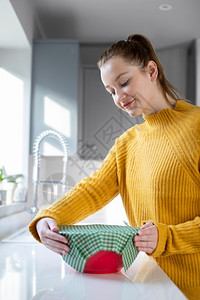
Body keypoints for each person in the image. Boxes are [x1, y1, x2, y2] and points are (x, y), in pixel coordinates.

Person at [29, 34, 200, 299]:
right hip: (148, 285)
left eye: (124, 82)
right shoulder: (127, 144)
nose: (119, 97)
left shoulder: (197, 127)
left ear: (151, 70)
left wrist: (168, 238)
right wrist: (49, 217)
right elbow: (92, 190)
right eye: (111, 91)